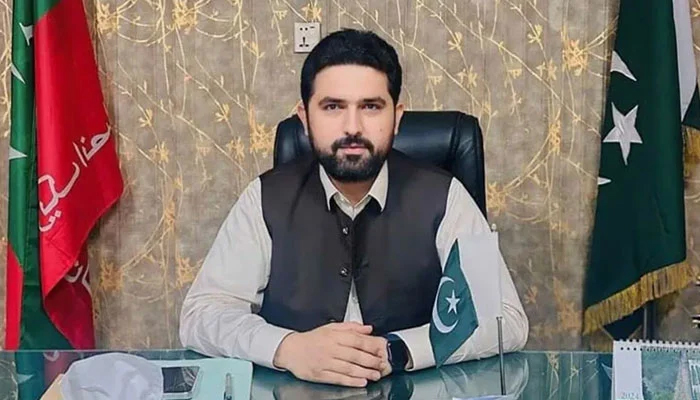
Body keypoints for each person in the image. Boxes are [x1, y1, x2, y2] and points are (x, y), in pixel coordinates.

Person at [179, 28, 528, 388]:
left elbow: (505, 320)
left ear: (397, 116)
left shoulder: (445, 195)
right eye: (333, 107)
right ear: (304, 117)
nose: (352, 128)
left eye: (371, 107)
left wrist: (397, 351)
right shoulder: (265, 197)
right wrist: (288, 348)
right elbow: (201, 315)